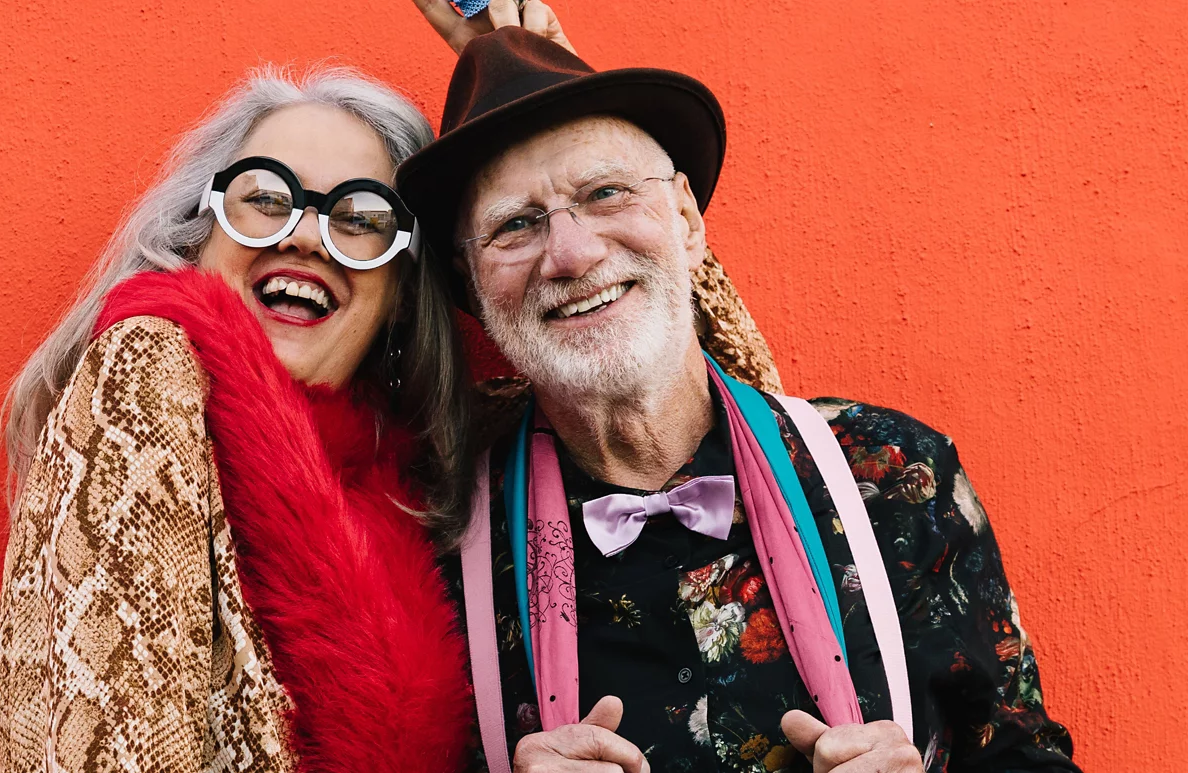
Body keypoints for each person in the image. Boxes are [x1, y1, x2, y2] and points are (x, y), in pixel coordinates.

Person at [393, 17, 1081, 773]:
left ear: (686, 221)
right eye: (516, 225)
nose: (571, 252)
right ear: (470, 286)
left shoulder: (892, 475)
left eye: (606, 192)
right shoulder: (437, 555)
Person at [0, 67, 483, 772]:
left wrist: (534, 66)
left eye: (361, 217)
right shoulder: (146, 375)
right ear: (200, 235)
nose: (308, 236)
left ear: (401, 294)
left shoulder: (410, 483)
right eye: (266, 197)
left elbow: (658, 380)